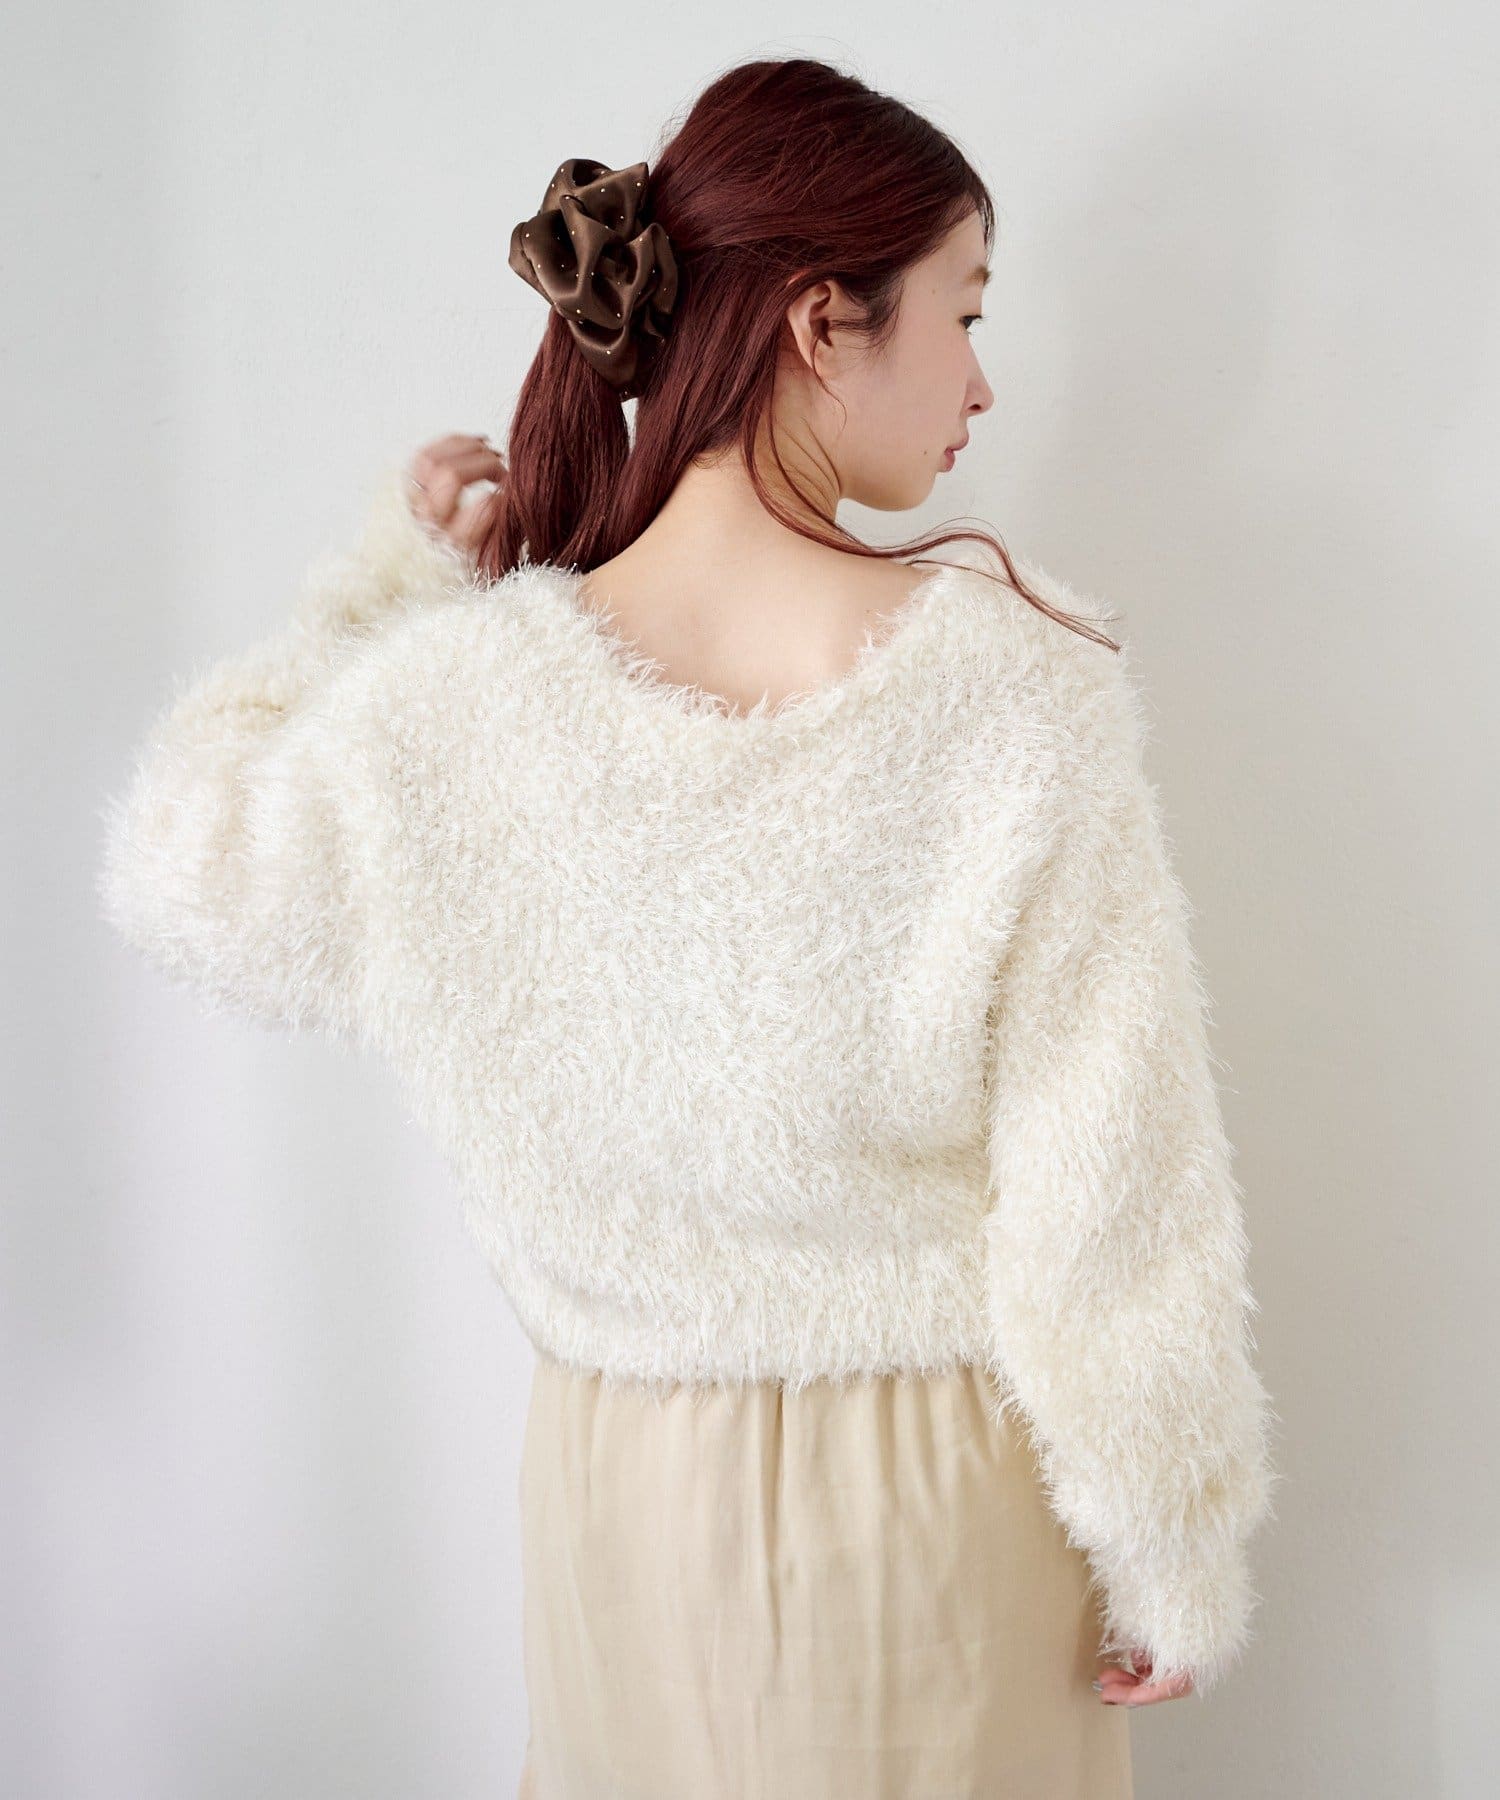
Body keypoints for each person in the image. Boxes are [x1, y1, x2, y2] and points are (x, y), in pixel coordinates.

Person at [98, 55, 1277, 1800]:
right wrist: (1171, 1536)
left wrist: (380, 596)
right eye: (963, 313)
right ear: (820, 322)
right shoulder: (1013, 687)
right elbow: (1113, 1180)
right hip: (942, 1504)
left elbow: (182, 869)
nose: (983, 381)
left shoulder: (466, 707)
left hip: (623, 1504)